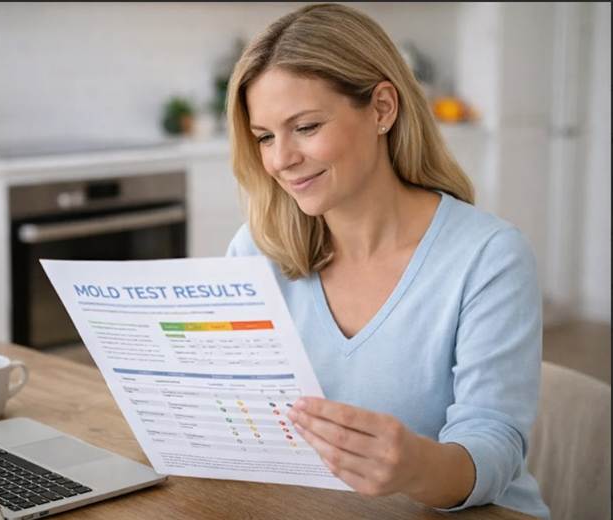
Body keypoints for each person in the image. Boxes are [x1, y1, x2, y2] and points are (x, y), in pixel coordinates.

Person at [224, 3, 549, 519]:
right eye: (264, 136)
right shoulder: (256, 249)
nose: (281, 159)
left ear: (381, 109)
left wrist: (416, 466)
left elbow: (495, 444)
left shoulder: (489, 257)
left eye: (305, 127)